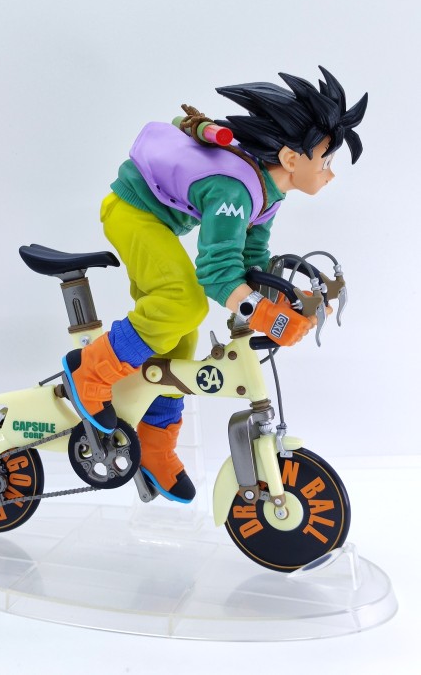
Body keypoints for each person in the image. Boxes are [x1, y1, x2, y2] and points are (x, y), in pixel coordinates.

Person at [62, 66, 368, 503]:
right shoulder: (235, 191)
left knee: (180, 342)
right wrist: (269, 317)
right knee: (182, 303)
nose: (329, 173)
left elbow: (250, 256)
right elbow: (217, 272)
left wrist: (285, 301)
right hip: (132, 213)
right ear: (291, 159)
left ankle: (155, 445)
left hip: (160, 223)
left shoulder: (269, 192)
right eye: (326, 161)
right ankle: (89, 372)